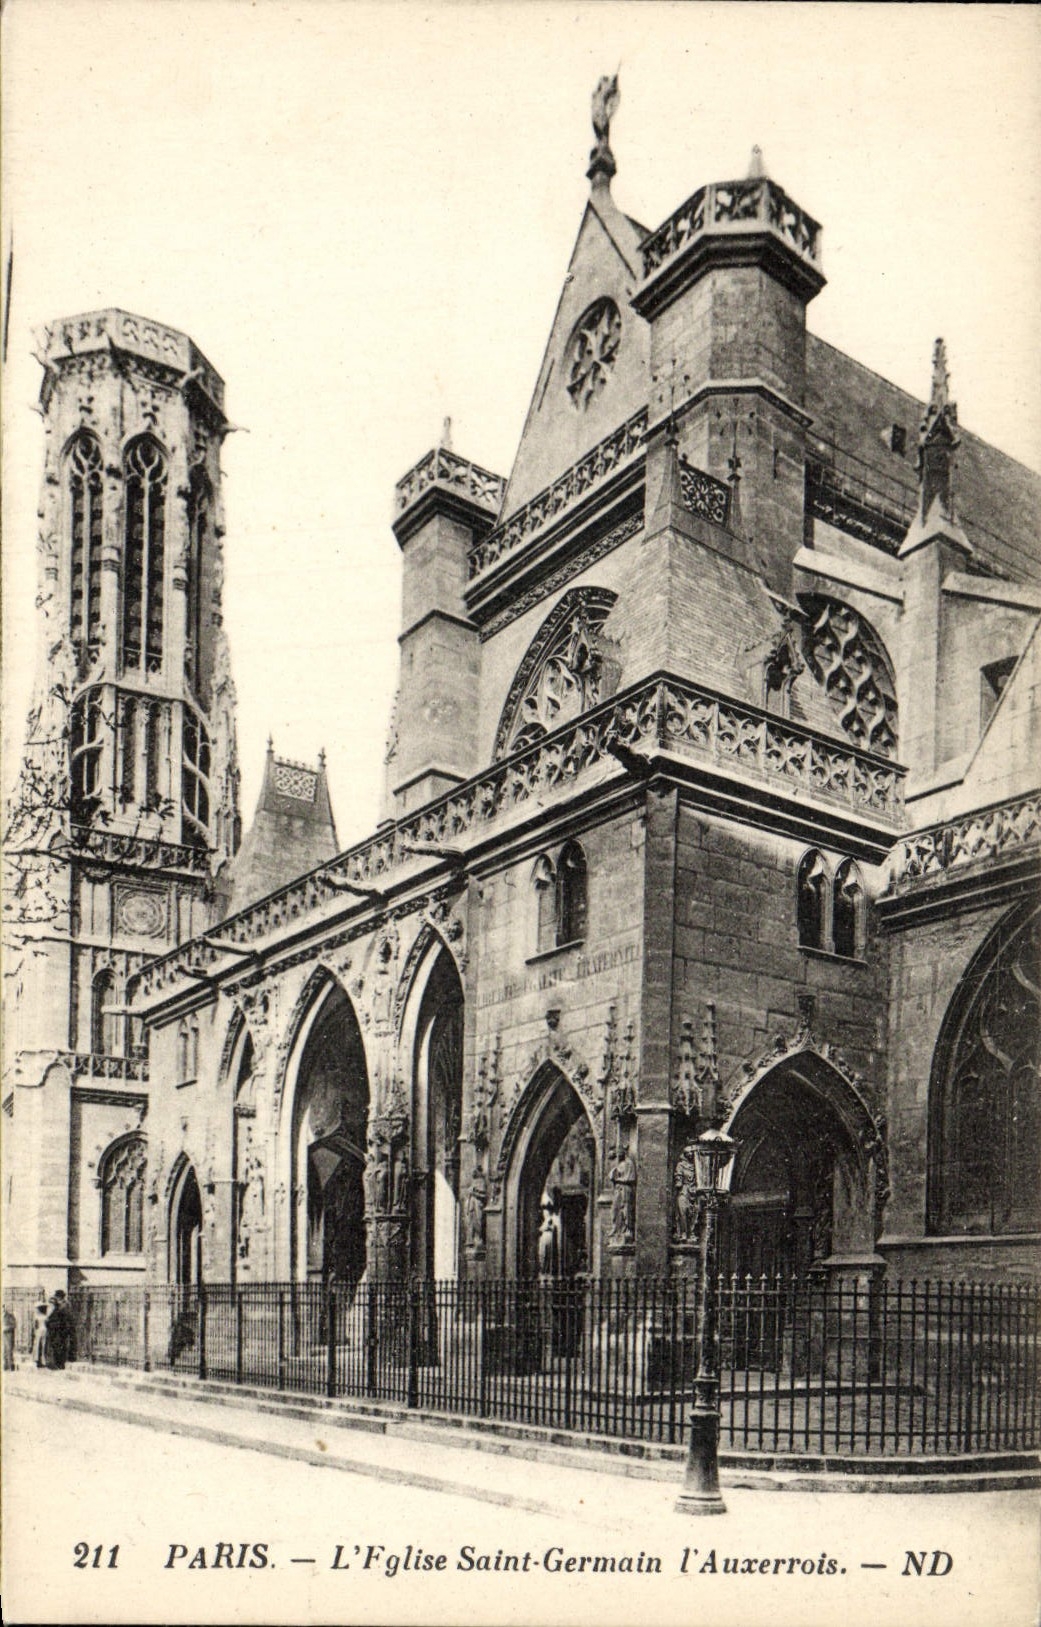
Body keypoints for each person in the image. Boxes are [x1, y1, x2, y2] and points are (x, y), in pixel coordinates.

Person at [45, 1290, 76, 1369]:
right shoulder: (64, 1305)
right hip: (61, 1328)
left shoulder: (62, 1306)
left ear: (59, 1297)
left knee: (59, 1346)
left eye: (57, 1296)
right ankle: (59, 1363)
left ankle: (59, 1363)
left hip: (60, 1328)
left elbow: (61, 1317)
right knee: (60, 1346)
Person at [32, 1302, 49, 1368]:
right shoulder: (45, 1317)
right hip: (45, 1330)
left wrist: (35, 1331)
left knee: (38, 1345)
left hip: (39, 1331)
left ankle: (38, 1360)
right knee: (44, 1345)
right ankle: (43, 1360)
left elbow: (35, 1326)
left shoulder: (37, 1317)